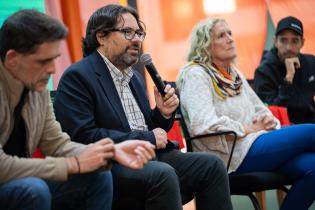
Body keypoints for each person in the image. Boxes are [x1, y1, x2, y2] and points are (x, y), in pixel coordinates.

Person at [53, 4, 233, 210]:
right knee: (162, 173)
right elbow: (84, 136)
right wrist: (147, 138)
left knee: (212, 165)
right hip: (110, 163)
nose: (137, 39)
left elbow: (147, 127)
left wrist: (162, 114)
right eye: (127, 32)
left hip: (149, 156)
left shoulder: (134, 77)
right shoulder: (78, 76)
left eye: (139, 33)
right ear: (101, 36)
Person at [0, 9, 156, 210]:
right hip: (19, 183)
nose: (52, 70)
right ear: (12, 58)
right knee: (33, 188)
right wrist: (73, 164)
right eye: (43, 61)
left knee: (99, 175)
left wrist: (111, 151)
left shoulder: (35, 87)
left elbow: (56, 144)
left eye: (54, 59)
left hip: (22, 180)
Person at [176, 17, 315, 210]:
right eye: (221, 35)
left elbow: (260, 109)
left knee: (313, 167)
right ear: (206, 45)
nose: (230, 39)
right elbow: (202, 124)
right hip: (228, 155)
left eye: (230, 34)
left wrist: (269, 120)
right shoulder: (195, 74)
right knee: (312, 132)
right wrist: (247, 128)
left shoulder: (233, 73)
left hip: (255, 144)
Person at [254, 16, 315, 124]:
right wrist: (288, 78)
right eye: (283, 40)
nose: (288, 48)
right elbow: (271, 112)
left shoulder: (310, 62)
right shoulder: (263, 72)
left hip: (310, 121)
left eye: (295, 41)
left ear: (302, 43)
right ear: (275, 42)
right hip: (283, 127)